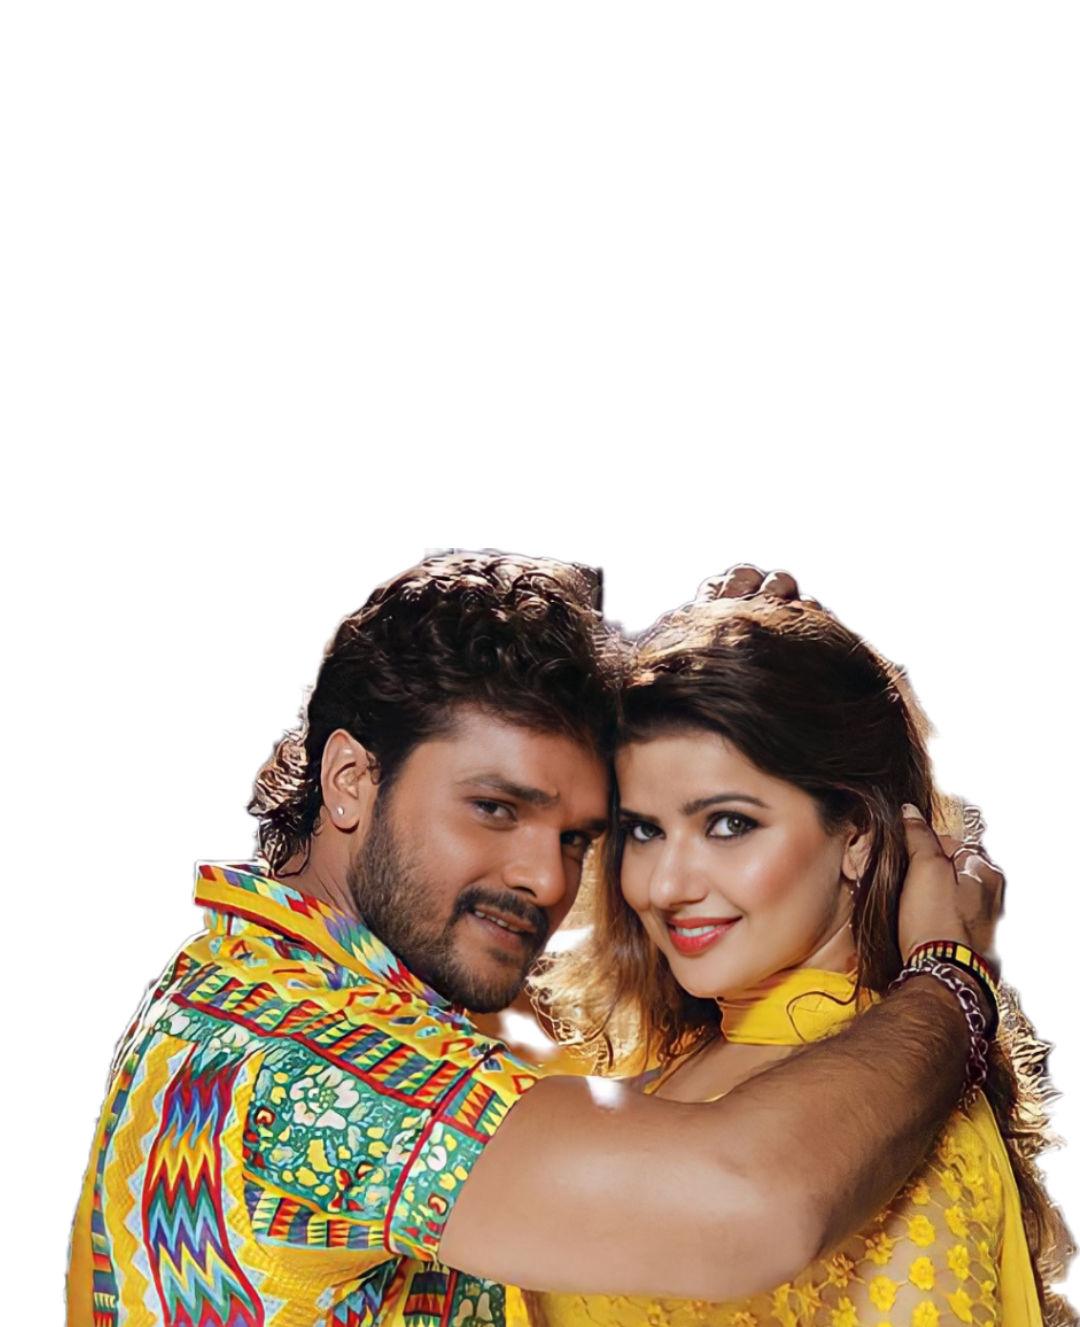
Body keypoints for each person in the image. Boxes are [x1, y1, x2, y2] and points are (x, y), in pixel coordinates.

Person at [65, 554, 1007, 1327]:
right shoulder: (309, 1070)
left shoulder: (256, 981)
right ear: (350, 779)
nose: (550, 881)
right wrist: (951, 979)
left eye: (581, 837)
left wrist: (736, 677)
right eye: (494, 807)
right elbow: (751, 1199)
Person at [534, 587, 1074, 1325]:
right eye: (644, 831)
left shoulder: (893, 1111)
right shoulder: (668, 1058)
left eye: (728, 824)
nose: (664, 887)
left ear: (856, 835)